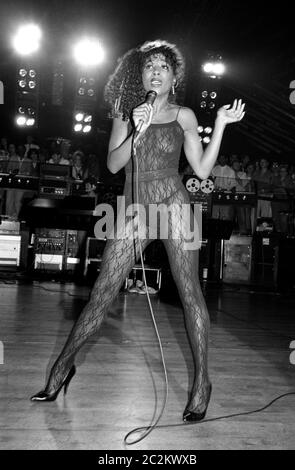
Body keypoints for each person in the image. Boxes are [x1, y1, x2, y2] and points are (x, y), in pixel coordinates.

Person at [30, 39, 245, 422]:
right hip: (134, 209)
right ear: (141, 75)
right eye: (149, 67)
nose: (156, 71)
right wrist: (136, 129)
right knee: (101, 295)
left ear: (174, 77)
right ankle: (62, 368)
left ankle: (202, 383)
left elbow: (201, 171)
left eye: (163, 66)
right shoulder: (125, 112)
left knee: (190, 294)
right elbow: (113, 165)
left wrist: (223, 126)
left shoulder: (184, 115)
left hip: (174, 204)